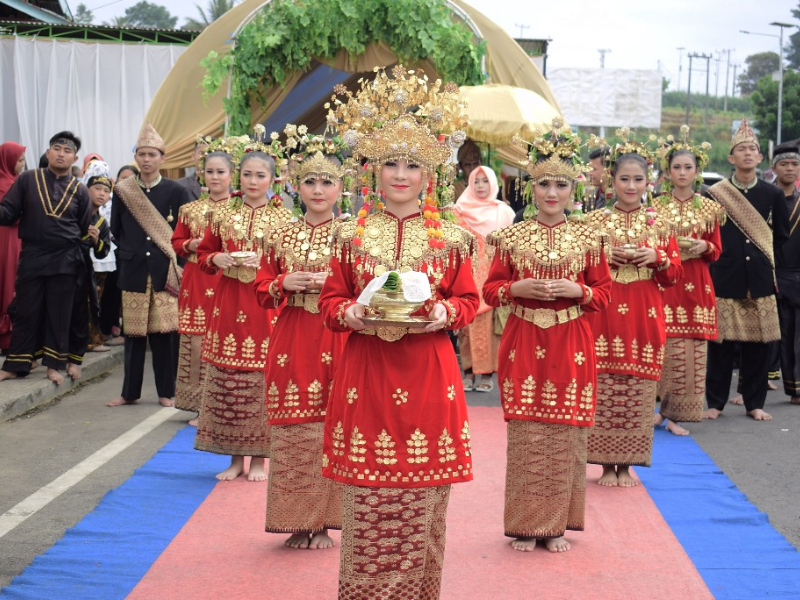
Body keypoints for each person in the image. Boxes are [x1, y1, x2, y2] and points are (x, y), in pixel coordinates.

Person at [320, 66, 479, 599]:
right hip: (365, 374)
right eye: (391, 163)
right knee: (367, 499)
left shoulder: (451, 237)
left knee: (421, 498)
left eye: (413, 164)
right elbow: (329, 299)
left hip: (430, 374)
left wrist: (445, 316)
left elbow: (469, 300)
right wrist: (350, 315)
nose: (401, 174)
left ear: (430, 173)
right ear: (374, 170)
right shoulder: (351, 233)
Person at [483, 120, 612, 553]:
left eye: (560, 184)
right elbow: (488, 290)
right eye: (543, 185)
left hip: (572, 341)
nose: (551, 193)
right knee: (527, 433)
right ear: (529, 188)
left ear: (573, 189)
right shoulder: (510, 237)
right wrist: (513, 289)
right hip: (522, 340)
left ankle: (555, 526)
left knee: (564, 433)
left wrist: (580, 290)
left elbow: (606, 295)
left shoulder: (589, 237)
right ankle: (524, 525)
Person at [254, 127, 350, 549]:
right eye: (310, 180)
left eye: (327, 181)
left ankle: (328, 522)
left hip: (339, 337)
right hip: (293, 336)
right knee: (296, 426)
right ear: (296, 184)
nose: (318, 189)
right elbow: (260, 288)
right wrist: (284, 282)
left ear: (341, 187)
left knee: (335, 425)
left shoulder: (354, 236)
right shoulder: (280, 235)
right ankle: (297, 521)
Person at [585, 131, 683, 487]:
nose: (631, 185)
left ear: (649, 182)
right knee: (603, 386)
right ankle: (604, 465)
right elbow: (580, 270)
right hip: (604, 314)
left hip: (645, 313)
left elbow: (674, 275)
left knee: (638, 389)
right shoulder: (593, 223)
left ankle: (626, 465)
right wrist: (601, 257)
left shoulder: (660, 224)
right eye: (624, 179)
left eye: (637, 179)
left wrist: (657, 258)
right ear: (612, 181)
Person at [194, 133, 291, 481]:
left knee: (263, 382)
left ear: (273, 180)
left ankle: (262, 460)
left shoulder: (284, 220)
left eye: (260, 176)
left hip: (265, 307)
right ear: (240, 177)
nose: (252, 182)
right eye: (247, 175)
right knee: (229, 378)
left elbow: (289, 265)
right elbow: (203, 254)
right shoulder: (222, 215)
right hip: (229, 302)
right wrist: (218, 257)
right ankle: (234, 459)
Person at [704, 119, 790, 421]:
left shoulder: (773, 194)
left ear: (760, 157)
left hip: (761, 279)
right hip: (725, 277)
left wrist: (758, 254)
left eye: (753, 149)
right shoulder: (714, 194)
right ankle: (715, 403)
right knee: (721, 347)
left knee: (759, 347)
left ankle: (755, 403)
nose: (748, 153)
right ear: (731, 158)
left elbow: (780, 234)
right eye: (741, 149)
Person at [107, 123, 191, 408]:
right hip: (133, 272)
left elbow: (183, 235)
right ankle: (129, 393)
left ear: (162, 158)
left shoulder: (176, 192)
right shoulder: (123, 191)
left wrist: (178, 266)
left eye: (152, 154)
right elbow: (116, 230)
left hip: (165, 272)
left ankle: (166, 392)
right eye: (141, 153)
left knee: (164, 336)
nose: (146, 159)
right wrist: (131, 252)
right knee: (133, 335)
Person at [0, 132, 91, 385]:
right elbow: (8, 212)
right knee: (27, 310)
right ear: (48, 152)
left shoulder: (80, 190)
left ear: (74, 157)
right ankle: (16, 365)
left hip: (65, 258)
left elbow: (82, 227)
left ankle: (54, 365)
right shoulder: (27, 179)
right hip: (33, 255)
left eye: (67, 150)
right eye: (57, 148)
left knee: (58, 313)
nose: (61, 153)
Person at [652, 126, 725, 435]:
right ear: (667, 173)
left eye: (688, 167)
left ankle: (678, 417)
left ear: (697, 171)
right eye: (676, 167)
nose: (682, 172)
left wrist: (703, 247)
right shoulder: (655, 208)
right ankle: (661, 410)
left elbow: (717, 249)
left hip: (696, 286)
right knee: (662, 352)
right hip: (666, 285)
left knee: (692, 355)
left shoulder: (709, 207)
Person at [172, 143, 233, 425]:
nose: (215, 177)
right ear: (201, 174)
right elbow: (176, 243)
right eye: (209, 171)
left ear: (232, 175)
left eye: (220, 171)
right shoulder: (189, 209)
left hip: (230, 280)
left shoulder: (241, 211)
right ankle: (199, 406)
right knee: (198, 342)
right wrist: (190, 244)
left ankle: (227, 403)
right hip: (198, 280)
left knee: (229, 340)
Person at [454, 165, 515, 392]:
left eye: (485, 181)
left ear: (493, 184)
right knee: (466, 327)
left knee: (490, 328)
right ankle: (468, 373)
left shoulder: (503, 212)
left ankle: (488, 374)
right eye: (476, 181)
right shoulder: (458, 210)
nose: (480, 186)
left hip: (493, 276)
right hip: (466, 276)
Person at [63, 172, 112, 380]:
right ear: (86, 190)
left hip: (84, 268)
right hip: (64, 265)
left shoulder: (101, 222)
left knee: (82, 309)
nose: (102, 194)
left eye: (106, 191)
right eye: (98, 189)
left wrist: (96, 241)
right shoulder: (73, 212)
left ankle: (74, 352)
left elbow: (103, 251)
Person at [771, 142, 800, 406]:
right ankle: (753, 386)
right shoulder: (766, 198)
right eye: (784, 164)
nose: (789, 168)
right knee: (767, 335)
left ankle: (796, 388)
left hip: (797, 277)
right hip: (771, 274)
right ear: (773, 168)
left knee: (796, 335)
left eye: (794, 164)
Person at [0, 141, 26, 353]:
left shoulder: (18, 182)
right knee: (7, 282)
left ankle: (11, 338)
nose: (22, 165)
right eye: (19, 160)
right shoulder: (4, 184)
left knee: (14, 283)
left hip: (17, 240)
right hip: (5, 241)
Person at [176, 137, 211, 201]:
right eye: (202, 153)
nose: (206, 157)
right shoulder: (178, 186)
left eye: (210, 153)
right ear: (193, 156)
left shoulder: (227, 189)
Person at [586, 146, 610, 212]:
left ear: (608, 170)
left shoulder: (619, 199)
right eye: (589, 169)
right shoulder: (589, 195)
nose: (589, 173)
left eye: (594, 169)